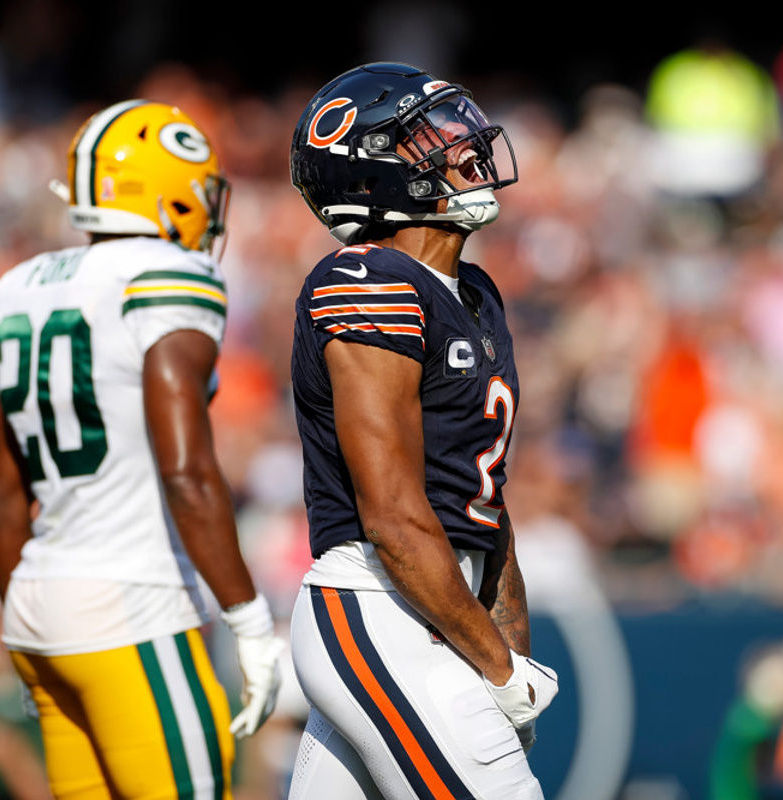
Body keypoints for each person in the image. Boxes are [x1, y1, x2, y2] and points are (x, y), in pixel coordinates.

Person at [0, 100, 282, 800]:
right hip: (130, 602)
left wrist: (26, 624)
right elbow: (187, 471)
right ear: (165, 190)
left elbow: (1, 494)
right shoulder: (166, 277)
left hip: (35, 608)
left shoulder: (20, 286)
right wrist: (250, 618)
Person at [286, 63, 559, 800]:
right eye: (430, 136)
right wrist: (499, 669)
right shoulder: (367, 281)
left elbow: (485, 510)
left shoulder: (473, 292)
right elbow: (398, 522)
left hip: (437, 609)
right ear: (371, 175)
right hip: (383, 607)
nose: (467, 145)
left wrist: (509, 649)